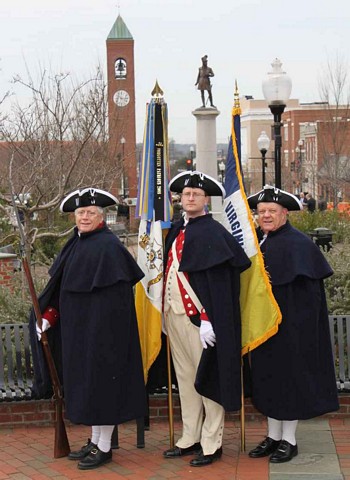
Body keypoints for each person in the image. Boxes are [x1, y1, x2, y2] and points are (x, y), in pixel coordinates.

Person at [29, 187, 146, 470]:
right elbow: (60, 291)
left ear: (100, 216)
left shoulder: (110, 247)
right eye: (80, 213)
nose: (84, 217)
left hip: (103, 337)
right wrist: (49, 316)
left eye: (90, 213)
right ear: (74, 217)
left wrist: (105, 334)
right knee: (86, 389)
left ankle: (105, 447)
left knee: (102, 389)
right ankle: (95, 440)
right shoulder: (74, 244)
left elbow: (117, 304)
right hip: (77, 335)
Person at [162, 171, 251, 467]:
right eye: (186, 194)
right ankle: (190, 436)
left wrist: (209, 318)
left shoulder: (213, 233)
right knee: (186, 381)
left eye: (196, 195)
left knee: (207, 380)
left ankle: (212, 442)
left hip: (200, 322)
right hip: (174, 316)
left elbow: (219, 284)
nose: (190, 198)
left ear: (205, 200)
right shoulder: (177, 231)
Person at [246, 185, 339, 463]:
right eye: (261, 212)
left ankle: (289, 440)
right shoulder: (260, 242)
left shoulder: (299, 244)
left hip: (291, 330)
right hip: (265, 330)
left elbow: (309, 298)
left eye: (272, 211)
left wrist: (298, 328)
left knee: (289, 384)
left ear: (285, 213)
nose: (266, 216)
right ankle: (273, 436)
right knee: (267, 381)